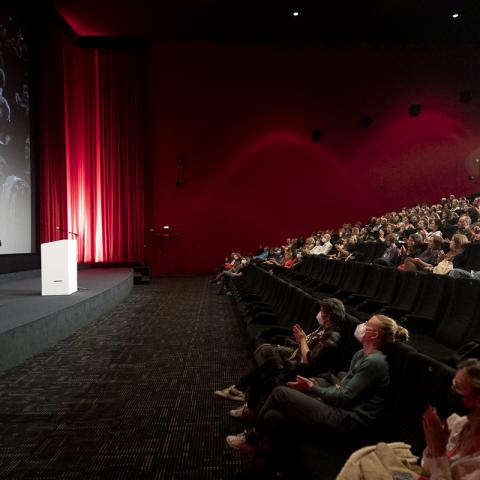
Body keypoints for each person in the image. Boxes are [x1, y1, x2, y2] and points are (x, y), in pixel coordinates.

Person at [226, 315, 409, 457]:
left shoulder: (376, 362)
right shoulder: (361, 354)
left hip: (348, 422)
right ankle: (267, 454)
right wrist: (316, 387)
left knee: (281, 393)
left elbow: (345, 397)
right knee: (274, 415)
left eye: (368, 323)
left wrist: (312, 389)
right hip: (339, 409)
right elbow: (341, 387)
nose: (363, 324)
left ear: (374, 334)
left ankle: (251, 440)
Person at [214, 298, 346, 418]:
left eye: (321, 312)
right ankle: (245, 400)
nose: (319, 314)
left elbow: (309, 360)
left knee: (264, 359)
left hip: (305, 370)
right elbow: (307, 345)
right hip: (298, 356)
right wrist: (301, 338)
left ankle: (243, 396)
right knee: (263, 352)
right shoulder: (323, 328)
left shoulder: (332, 337)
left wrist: (302, 340)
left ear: (327, 316)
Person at [421, 358, 480, 479]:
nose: (452, 390)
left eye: (458, 387)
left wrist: (439, 452)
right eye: (453, 383)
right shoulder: (457, 423)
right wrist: (433, 447)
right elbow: (426, 472)